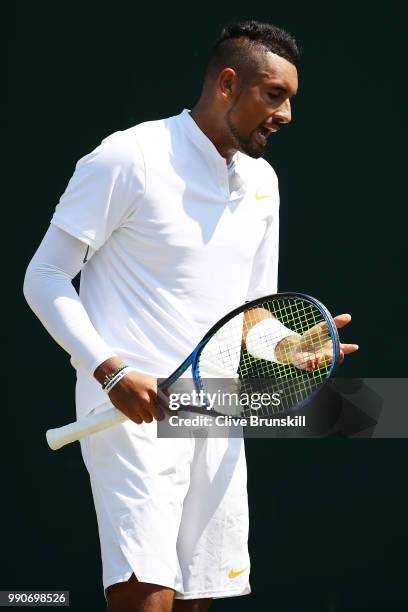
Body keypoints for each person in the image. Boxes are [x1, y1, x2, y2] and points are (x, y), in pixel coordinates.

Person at [23, 20, 358, 612]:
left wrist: (286, 350)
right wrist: (110, 370)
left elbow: (251, 315)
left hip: (216, 411)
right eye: (273, 95)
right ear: (229, 83)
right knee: (148, 597)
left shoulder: (263, 182)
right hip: (130, 410)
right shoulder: (129, 157)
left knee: (197, 600)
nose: (285, 115)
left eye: (290, 100)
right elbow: (44, 277)